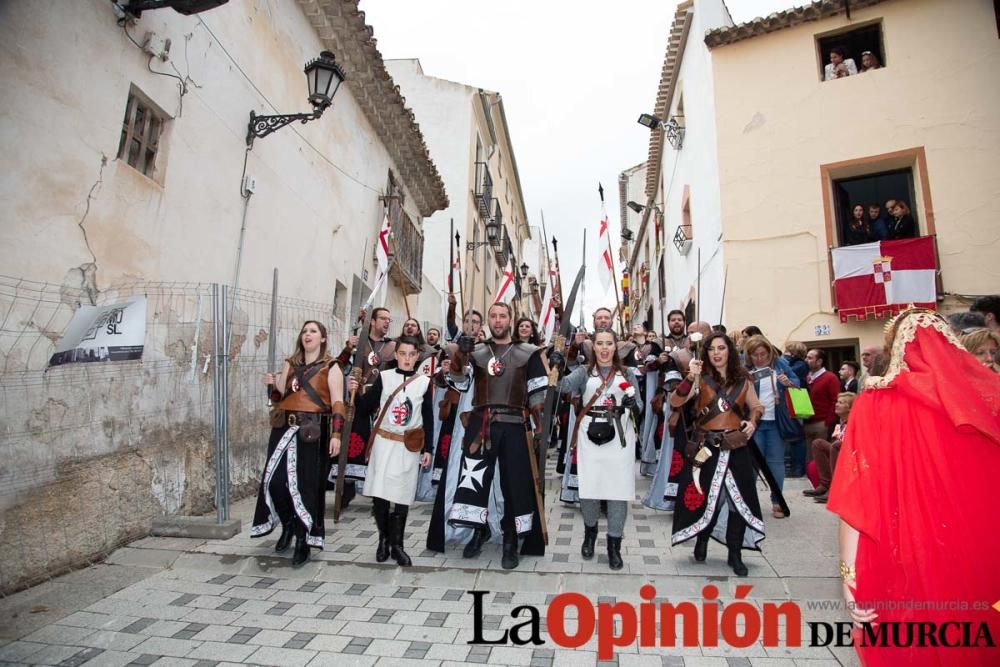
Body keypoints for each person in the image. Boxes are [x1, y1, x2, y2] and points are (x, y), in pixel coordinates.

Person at [827, 308, 1000, 667]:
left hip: (898, 552)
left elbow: (856, 500)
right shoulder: (987, 405)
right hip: (980, 561)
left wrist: (849, 578)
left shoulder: (875, 404)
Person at [433, 302, 548, 569]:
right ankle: (478, 531)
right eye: (493, 316)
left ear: (511, 319)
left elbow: (538, 395)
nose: (497, 321)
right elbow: (460, 384)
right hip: (481, 424)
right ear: (488, 320)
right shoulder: (477, 351)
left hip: (515, 425)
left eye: (502, 316)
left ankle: (510, 539)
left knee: (513, 484)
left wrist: (541, 430)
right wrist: (460, 358)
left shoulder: (528, 352)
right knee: (476, 483)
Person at [671, 333, 765, 577]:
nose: (716, 353)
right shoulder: (700, 377)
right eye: (712, 348)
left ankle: (735, 553)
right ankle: (702, 537)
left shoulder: (744, 379)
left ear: (729, 351)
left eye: (721, 348)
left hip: (736, 446)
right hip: (706, 447)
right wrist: (691, 376)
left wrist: (753, 422)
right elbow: (676, 401)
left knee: (737, 501)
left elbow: (756, 406)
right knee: (709, 498)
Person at [252, 321, 344, 566]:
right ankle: (289, 524)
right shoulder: (290, 363)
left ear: (323, 338)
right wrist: (271, 385)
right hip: (283, 427)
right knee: (274, 482)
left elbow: (337, 404)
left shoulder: (331, 366)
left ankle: (303, 539)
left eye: (313, 331)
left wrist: (336, 435)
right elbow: (279, 398)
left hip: (312, 432)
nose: (308, 335)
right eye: (304, 331)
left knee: (306, 487)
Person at [558, 330, 641, 570]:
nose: (604, 349)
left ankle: (614, 544)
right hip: (589, 437)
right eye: (600, 344)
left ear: (616, 347)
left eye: (609, 344)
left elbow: (639, 407)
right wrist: (554, 362)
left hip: (619, 438)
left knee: (618, 490)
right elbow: (562, 386)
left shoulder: (627, 374)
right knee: (590, 488)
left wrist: (631, 404)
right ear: (593, 348)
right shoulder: (584, 373)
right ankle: (590, 533)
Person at [351, 337, 434, 566]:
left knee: (402, 495)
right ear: (396, 354)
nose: (407, 359)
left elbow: (428, 417)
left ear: (417, 356)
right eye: (403, 353)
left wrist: (429, 448)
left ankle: (398, 545)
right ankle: (383, 539)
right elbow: (365, 407)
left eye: (411, 354)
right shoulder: (384, 378)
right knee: (380, 493)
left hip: (408, 445)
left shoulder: (425, 383)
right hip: (384, 443)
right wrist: (355, 392)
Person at [330, 307, 397, 506]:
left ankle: (380, 493)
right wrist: (348, 349)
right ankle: (347, 489)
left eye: (389, 319)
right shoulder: (358, 342)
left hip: (381, 400)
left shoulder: (392, 346)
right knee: (353, 443)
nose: (386, 322)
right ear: (373, 322)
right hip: (356, 399)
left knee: (381, 447)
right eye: (383, 318)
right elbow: (339, 367)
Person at [744, 335, 799, 519]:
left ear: (769, 352)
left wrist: (788, 383)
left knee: (776, 463)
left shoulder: (781, 364)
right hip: (754, 422)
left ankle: (777, 501)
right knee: (751, 464)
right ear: (749, 356)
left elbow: (797, 383)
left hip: (776, 421)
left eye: (763, 354)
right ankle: (747, 502)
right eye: (755, 355)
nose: (760, 358)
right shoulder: (745, 370)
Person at [804, 391, 855, 503]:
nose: (837, 404)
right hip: (840, 453)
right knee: (818, 443)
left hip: (853, 456)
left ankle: (835, 488)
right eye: (837, 402)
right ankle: (825, 485)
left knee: (836, 445)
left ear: (850, 409)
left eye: (841, 403)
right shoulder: (840, 423)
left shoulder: (855, 422)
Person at [804, 348, 840, 458]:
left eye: (810, 358)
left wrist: (828, 422)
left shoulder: (830, 378)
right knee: (810, 458)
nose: (806, 360)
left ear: (819, 361)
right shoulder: (806, 378)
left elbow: (835, 400)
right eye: (806, 357)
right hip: (806, 422)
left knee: (821, 457)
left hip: (821, 423)